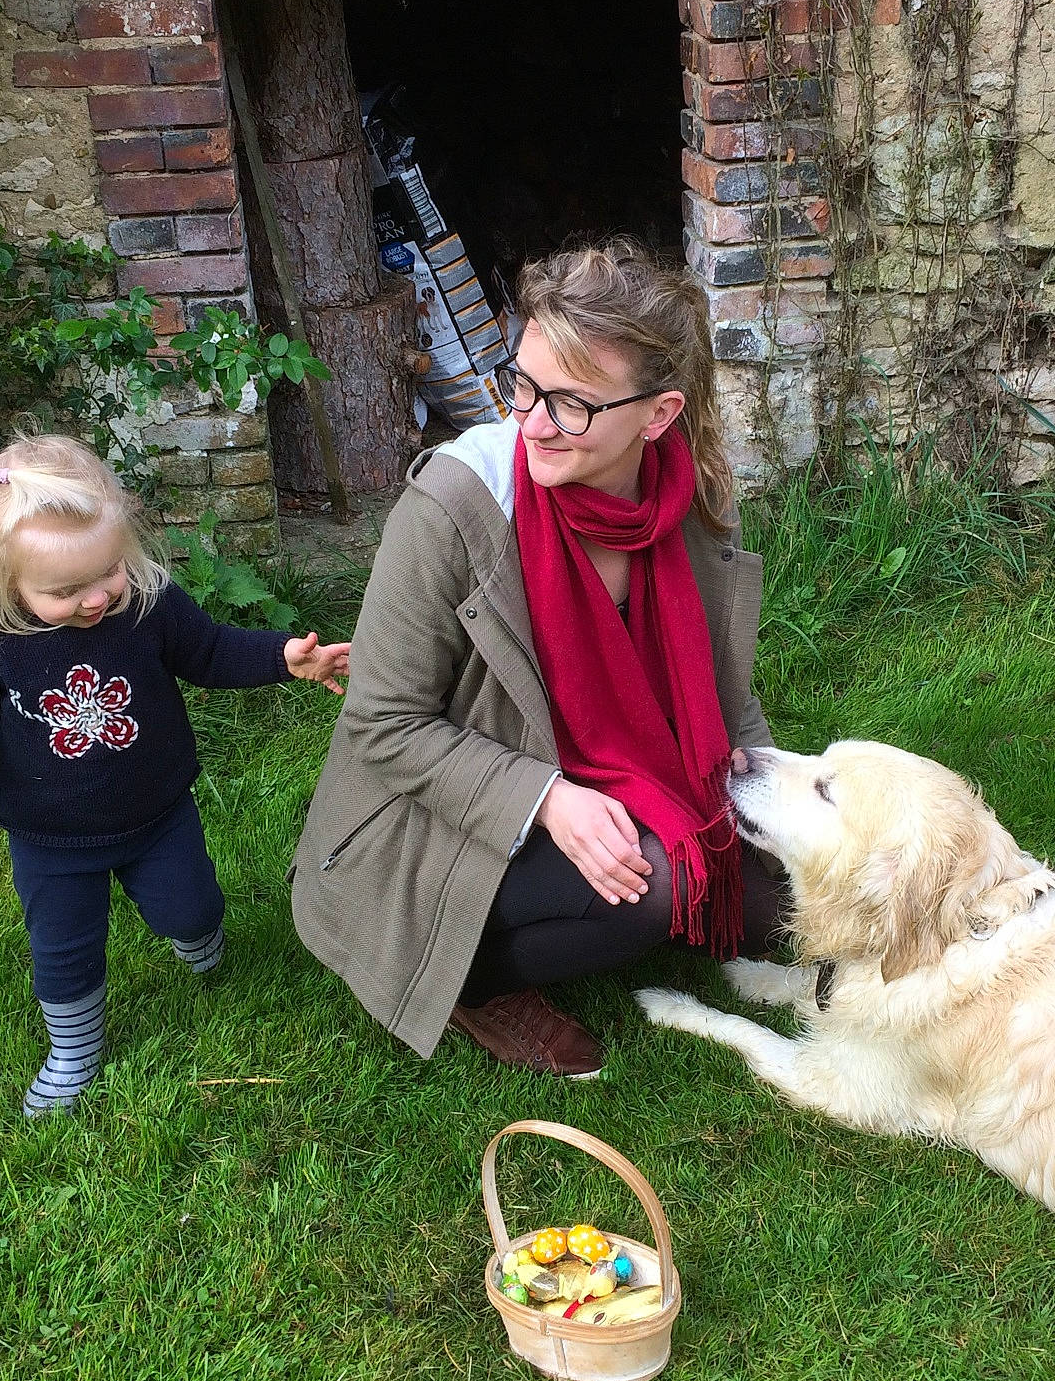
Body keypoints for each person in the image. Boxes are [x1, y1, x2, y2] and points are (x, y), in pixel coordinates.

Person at [293, 239, 782, 1078]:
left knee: (775, 883)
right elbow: (382, 724)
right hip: (434, 815)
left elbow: (717, 683)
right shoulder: (454, 508)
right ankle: (471, 983)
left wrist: (758, 780)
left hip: (616, 764)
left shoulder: (688, 498)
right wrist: (548, 798)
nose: (531, 422)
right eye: (521, 385)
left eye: (570, 404)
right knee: (655, 889)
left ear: (657, 416)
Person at [0, 435, 349, 1115]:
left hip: (158, 813)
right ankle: (74, 1049)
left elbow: (211, 652)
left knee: (192, 907)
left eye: (107, 571)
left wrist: (283, 657)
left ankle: (199, 940)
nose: (94, 599)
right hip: (48, 837)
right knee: (64, 950)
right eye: (64, 590)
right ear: (3, 581)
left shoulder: (146, 604)